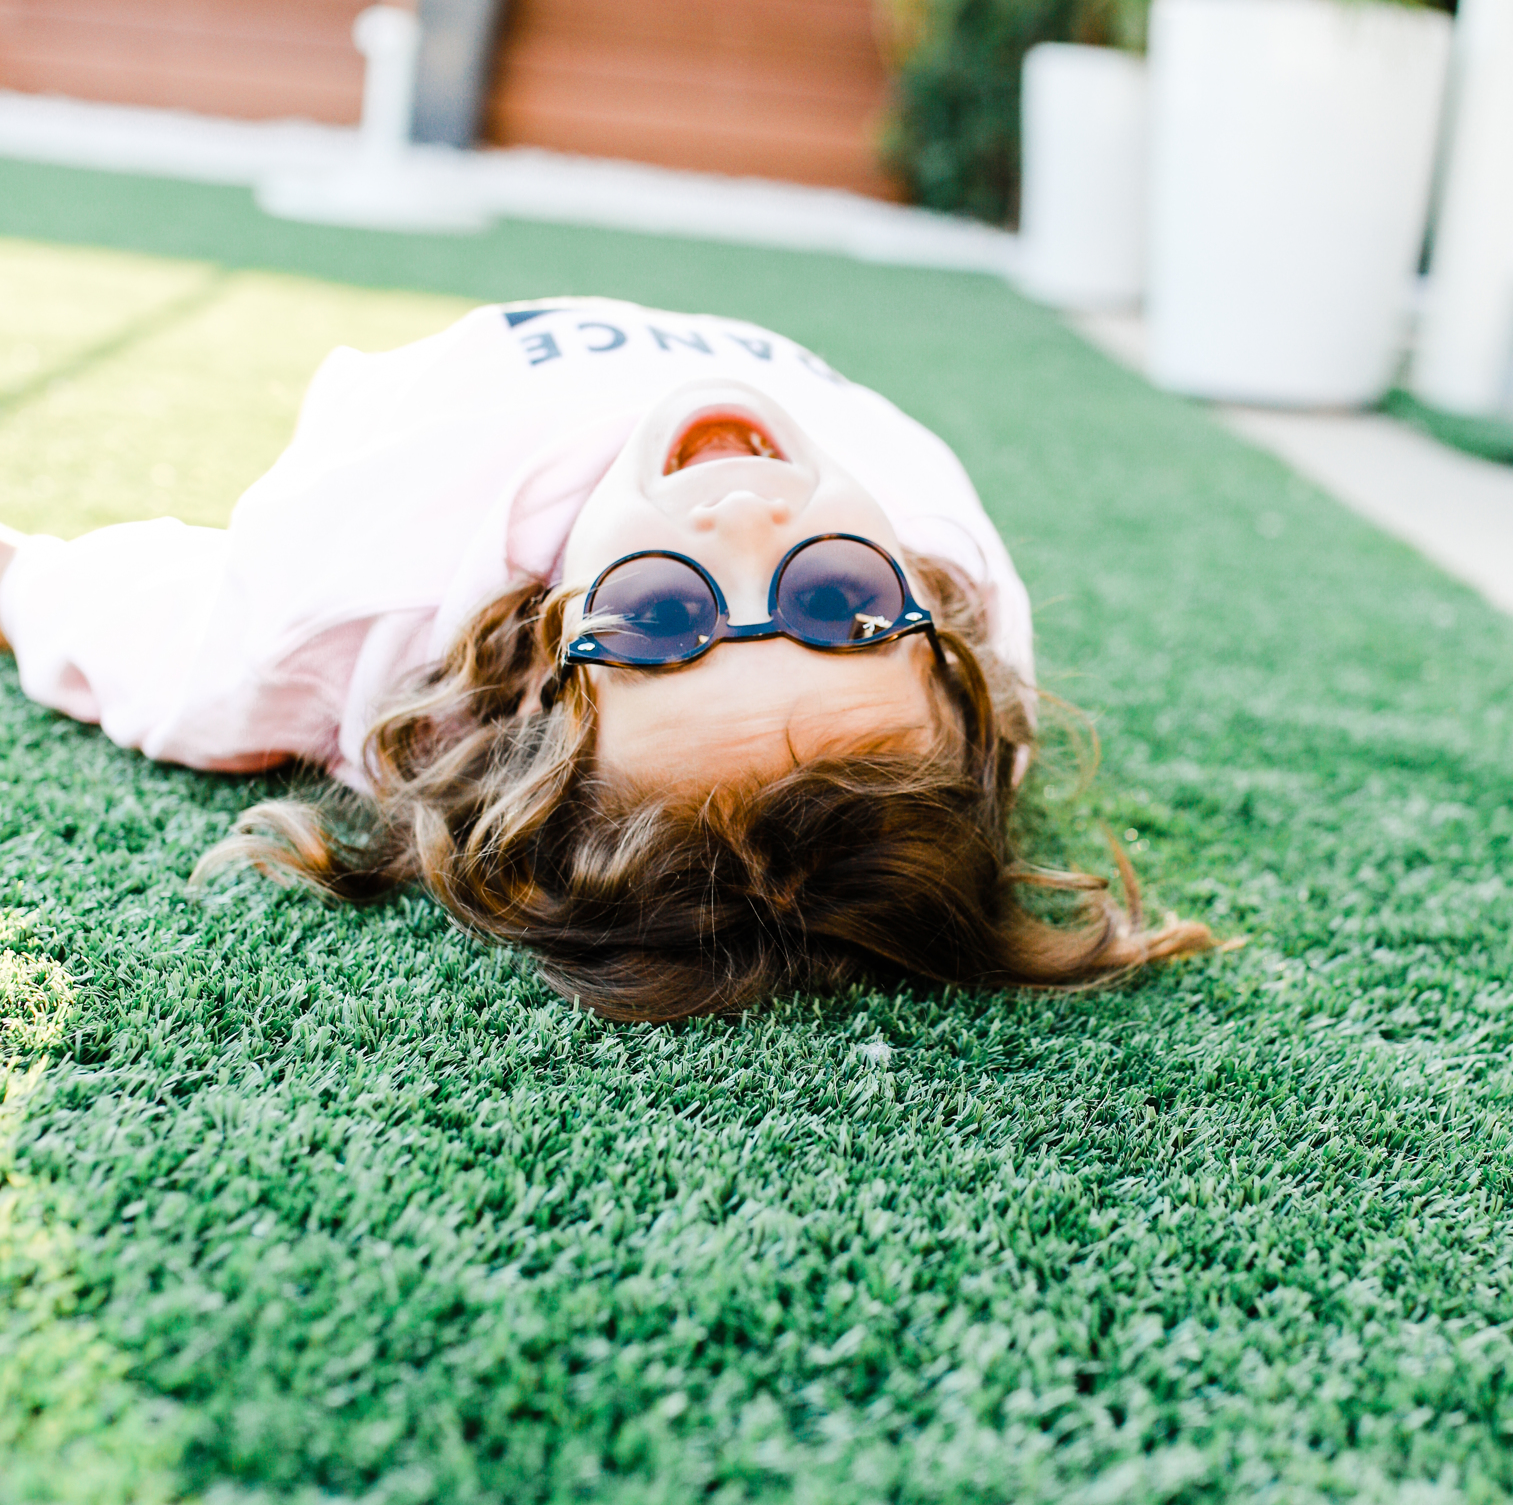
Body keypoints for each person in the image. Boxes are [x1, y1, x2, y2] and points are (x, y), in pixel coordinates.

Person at [0, 293, 1212, 1018]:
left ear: (539, 666)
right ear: (933, 621)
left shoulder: (338, 593)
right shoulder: (957, 574)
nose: (744, 520)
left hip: (462, 405)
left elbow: (131, 621)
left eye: (653, 617)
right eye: (843, 601)